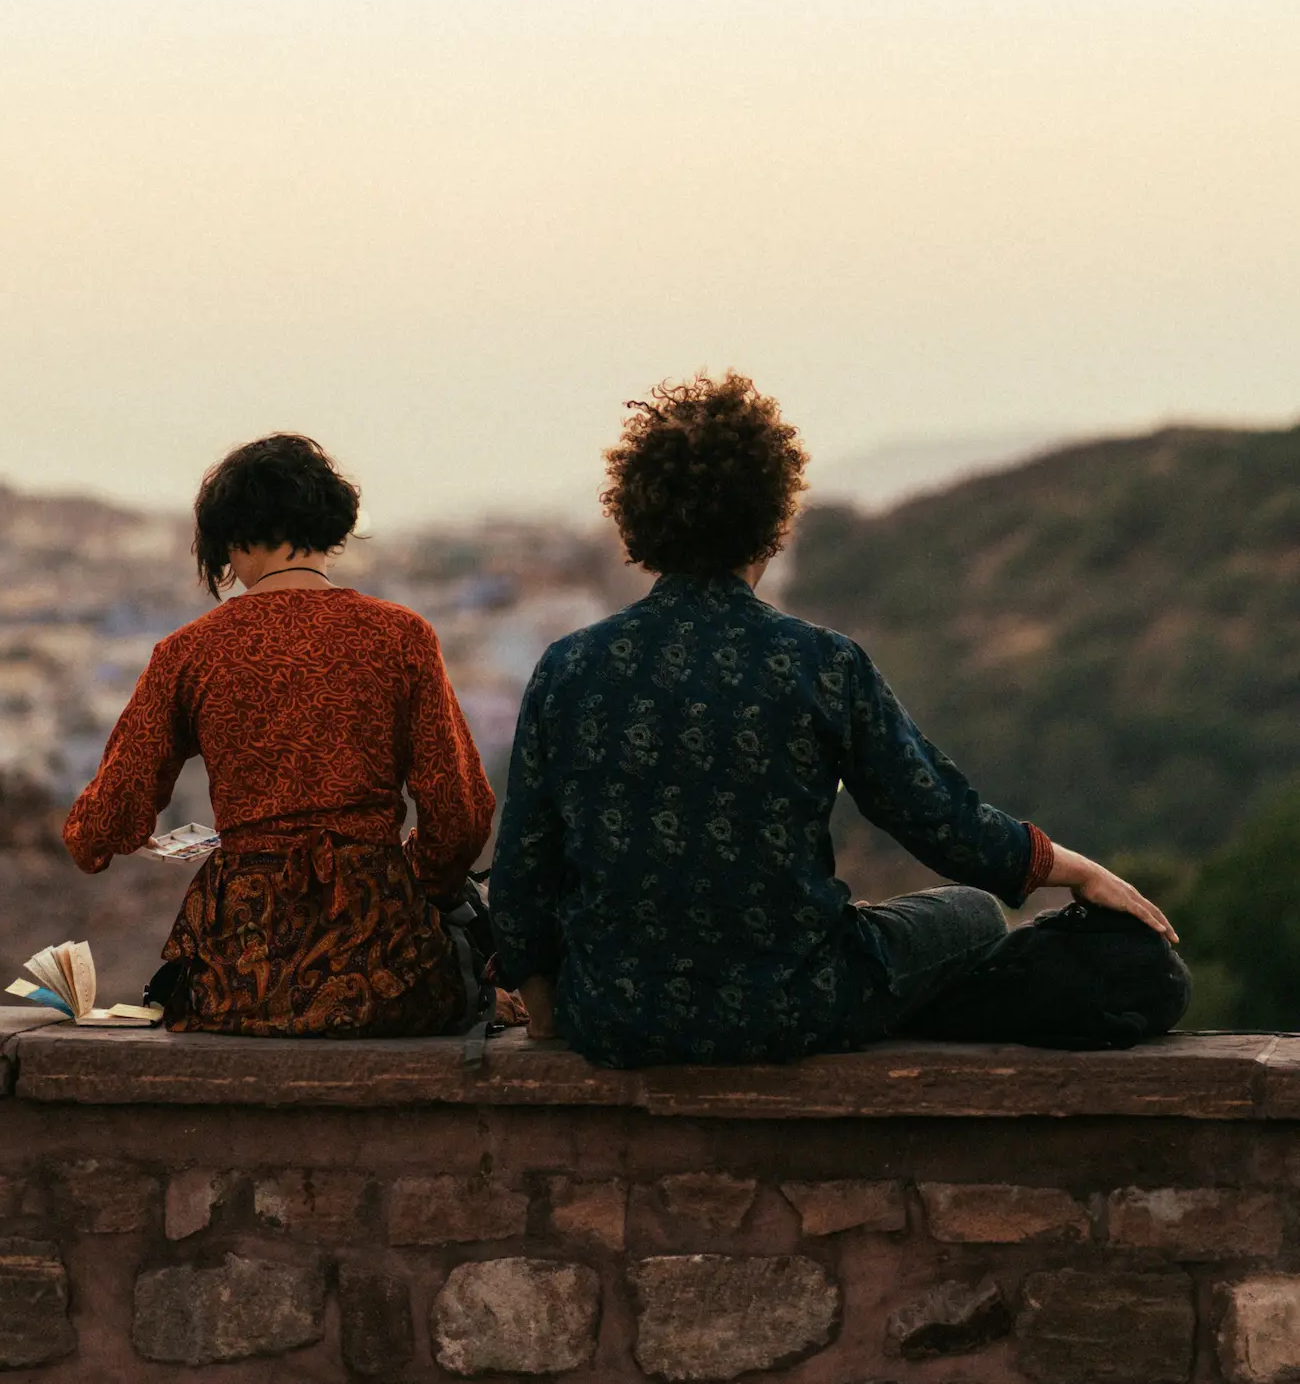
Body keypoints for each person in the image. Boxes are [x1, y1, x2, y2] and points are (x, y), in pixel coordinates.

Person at [489, 373, 1186, 1067]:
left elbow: (522, 867)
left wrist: (545, 1005)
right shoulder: (819, 663)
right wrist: (1073, 868)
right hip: (790, 1008)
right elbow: (941, 820)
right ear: (771, 519)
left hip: (613, 1013)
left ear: (639, 516)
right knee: (973, 913)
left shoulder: (568, 668)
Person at [63, 432, 495, 1035]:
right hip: (383, 966)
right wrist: (416, 878)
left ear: (233, 539)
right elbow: (461, 813)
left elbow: (106, 821)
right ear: (330, 528)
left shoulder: (190, 652)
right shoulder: (401, 637)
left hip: (242, 973)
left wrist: (95, 839)